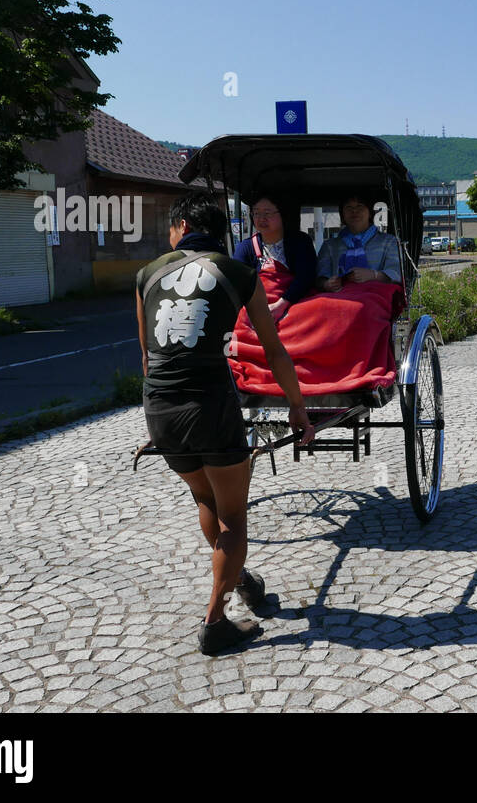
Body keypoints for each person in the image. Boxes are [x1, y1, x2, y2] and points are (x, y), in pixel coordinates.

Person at [136, 191, 314, 655]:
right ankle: (215, 620)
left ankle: (242, 580)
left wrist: (156, 416)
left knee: (205, 497)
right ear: (218, 234)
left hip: (160, 408)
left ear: (178, 229)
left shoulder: (146, 274)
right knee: (234, 517)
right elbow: (272, 349)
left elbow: (147, 357)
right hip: (210, 406)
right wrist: (296, 406)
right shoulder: (237, 272)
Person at [231, 195, 319, 322]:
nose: (261, 219)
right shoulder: (245, 247)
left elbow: (306, 277)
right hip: (258, 308)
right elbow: (239, 284)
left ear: (282, 214)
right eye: (256, 213)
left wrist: (281, 305)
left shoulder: (301, 241)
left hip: (296, 302)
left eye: (267, 213)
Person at [315, 194, 403, 292]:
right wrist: (327, 284)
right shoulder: (329, 246)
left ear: (370, 213)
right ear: (342, 215)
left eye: (360, 206)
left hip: (376, 297)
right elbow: (320, 277)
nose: (354, 211)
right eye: (349, 207)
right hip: (338, 298)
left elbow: (397, 274)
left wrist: (374, 275)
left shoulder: (389, 241)